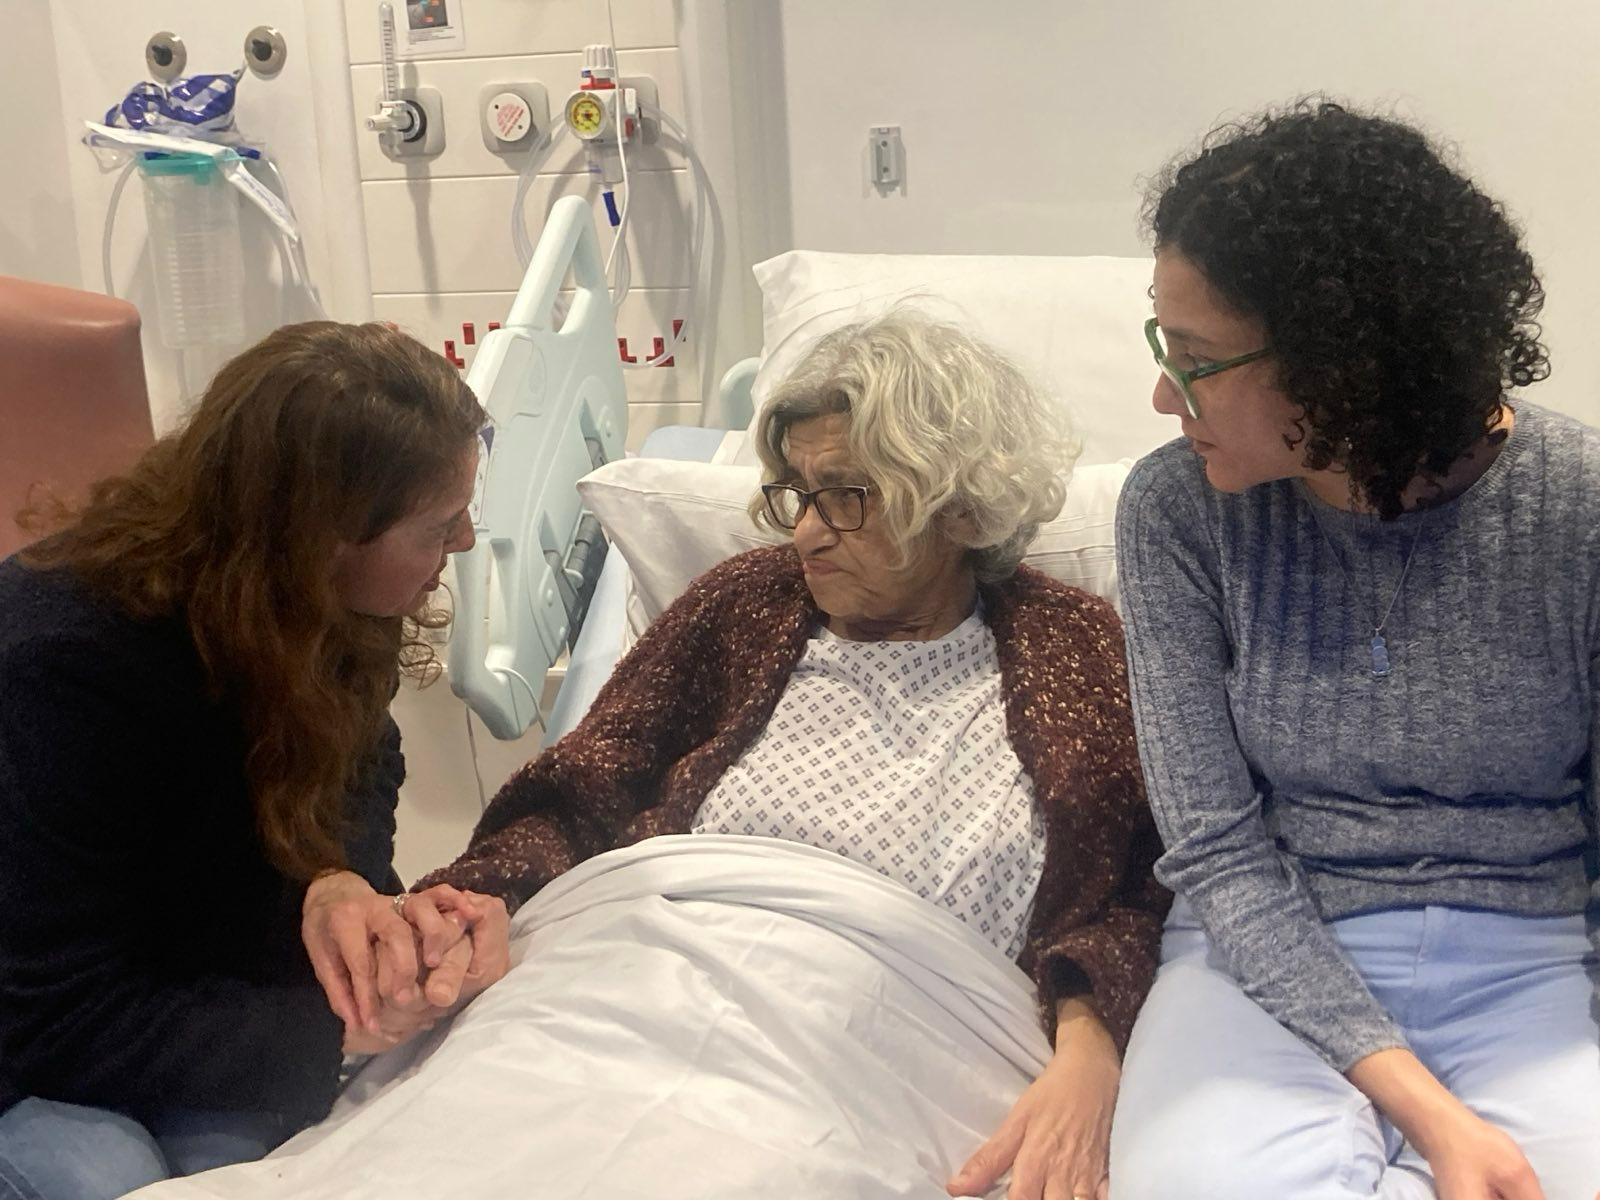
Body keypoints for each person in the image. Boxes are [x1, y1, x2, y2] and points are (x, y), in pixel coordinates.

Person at [296, 313, 1163, 1200]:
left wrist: (1091, 1042)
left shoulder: (1078, 653)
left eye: (847, 497)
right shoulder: (744, 605)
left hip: (885, 1044)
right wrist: (471, 905)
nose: (806, 535)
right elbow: (577, 798)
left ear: (959, 501)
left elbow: (1133, 893)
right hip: (627, 978)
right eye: (796, 494)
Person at [1110, 100, 1600, 1200]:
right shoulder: (1177, 511)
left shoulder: (1579, 511)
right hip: (1262, 954)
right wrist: (1428, 1113)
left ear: (1343, 363)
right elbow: (1214, 847)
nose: (1160, 394)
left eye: (1193, 360)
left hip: (1527, 960)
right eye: (1164, 346)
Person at [0, 321, 508, 1200]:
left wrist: (341, 886)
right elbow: (42, 1012)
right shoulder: (59, 669)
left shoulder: (325, 609)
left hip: (156, 978)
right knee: (110, 1178)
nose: (464, 542)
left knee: (254, 1158)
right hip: (37, 1019)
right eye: (437, 523)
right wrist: (334, 1027)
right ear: (321, 538)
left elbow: (356, 767)